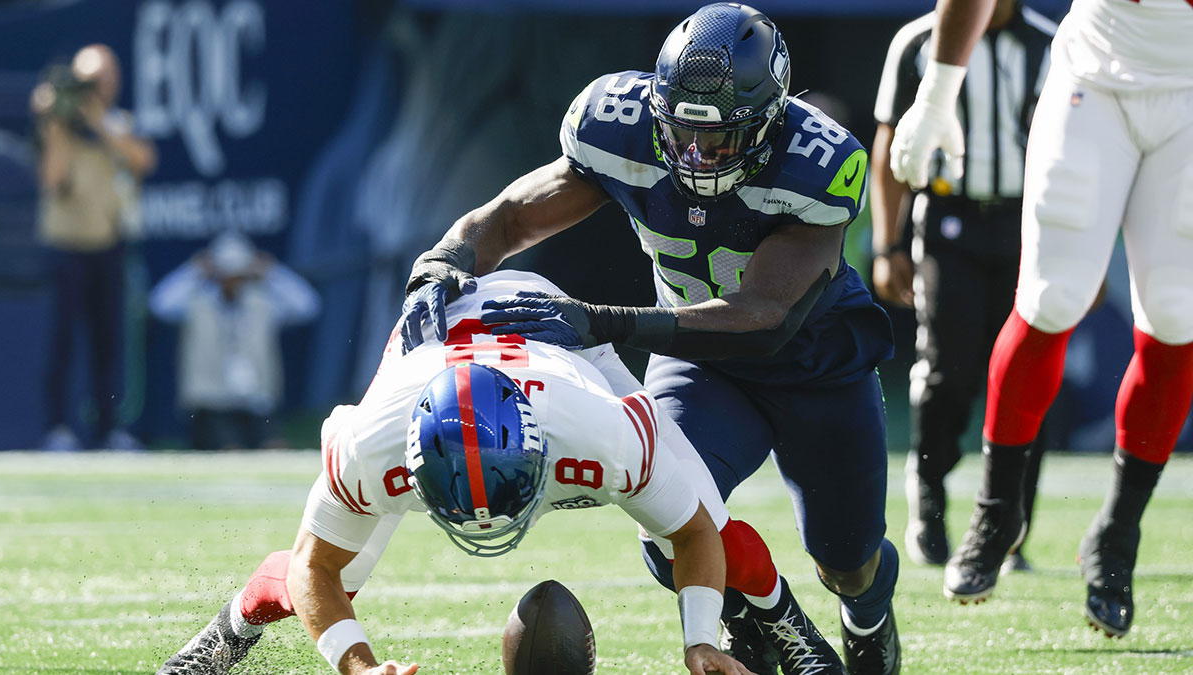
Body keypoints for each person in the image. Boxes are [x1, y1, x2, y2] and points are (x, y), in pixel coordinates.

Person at [398, 5, 900, 673]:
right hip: (701, 361)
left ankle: (865, 616)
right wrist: (447, 255)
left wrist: (600, 320)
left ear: (768, 121)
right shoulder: (618, 123)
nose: (696, 155)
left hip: (815, 361)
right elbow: (515, 218)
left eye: (719, 139)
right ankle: (770, 623)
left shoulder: (817, 161)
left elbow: (763, 316)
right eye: (683, 133)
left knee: (848, 561)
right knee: (667, 522)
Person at [156, 270, 843, 675]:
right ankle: (228, 632)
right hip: (429, 341)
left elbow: (695, 532)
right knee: (345, 570)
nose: (487, 523)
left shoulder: (599, 427)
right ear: (416, 467)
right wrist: (358, 663)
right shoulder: (374, 440)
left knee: (703, 512)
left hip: (557, 342)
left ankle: (781, 613)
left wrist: (698, 639)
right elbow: (314, 568)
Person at [890, 0, 1193, 637]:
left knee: (1174, 315)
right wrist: (941, 87)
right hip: (1097, 69)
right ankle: (998, 512)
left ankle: (1118, 533)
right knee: (1051, 296)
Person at [871, 0, 1055, 570]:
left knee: (1029, 372)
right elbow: (889, 144)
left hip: (1032, 226)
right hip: (949, 223)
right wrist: (887, 243)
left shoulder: (1053, 42)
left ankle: (1011, 520)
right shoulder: (917, 42)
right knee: (950, 368)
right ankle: (928, 492)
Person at [33, 43, 156, 451]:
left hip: (108, 242)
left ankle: (108, 428)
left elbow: (143, 158)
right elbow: (52, 180)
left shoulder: (117, 122)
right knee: (62, 341)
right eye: (91, 79)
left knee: (108, 343)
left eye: (106, 77)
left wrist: (98, 120)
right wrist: (56, 121)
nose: (100, 85)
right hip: (65, 246)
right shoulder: (57, 125)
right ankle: (57, 428)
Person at [149, 231, 321, 449]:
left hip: (256, 403)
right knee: (229, 449)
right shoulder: (197, 303)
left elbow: (308, 305)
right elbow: (159, 304)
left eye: (238, 274)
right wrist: (194, 271)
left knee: (275, 448)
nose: (232, 281)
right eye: (226, 274)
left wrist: (272, 271)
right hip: (212, 405)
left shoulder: (264, 303)